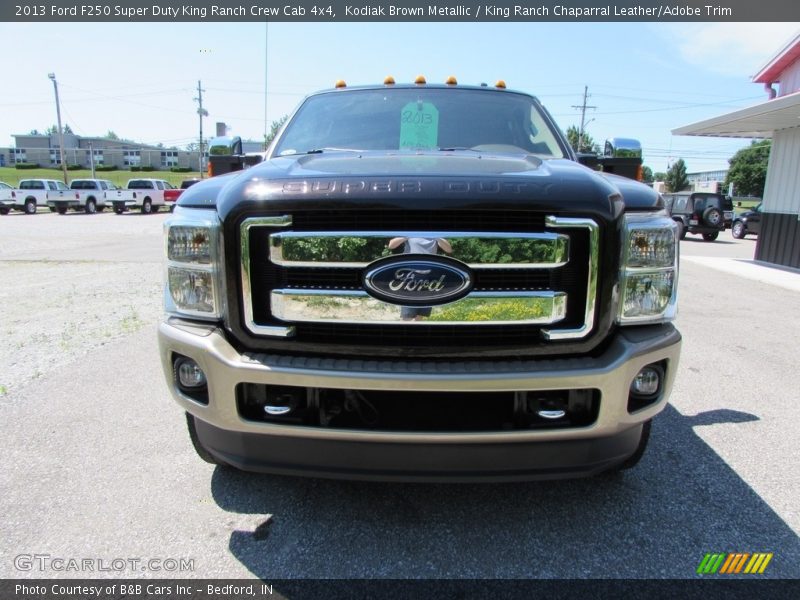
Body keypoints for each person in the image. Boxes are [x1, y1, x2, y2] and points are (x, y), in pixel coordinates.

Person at [387, 236, 452, 321]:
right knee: (407, 315)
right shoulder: (411, 232)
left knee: (420, 315)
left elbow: (449, 249)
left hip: (429, 277)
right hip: (411, 278)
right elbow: (391, 245)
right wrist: (407, 236)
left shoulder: (434, 235)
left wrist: (437, 237)